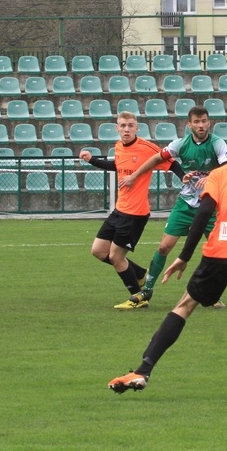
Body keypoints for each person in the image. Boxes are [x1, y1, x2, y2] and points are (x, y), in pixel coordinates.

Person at [108, 134, 227, 401]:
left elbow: (203, 213)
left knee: (184, 306)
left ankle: (143, 370)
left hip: (220, 252)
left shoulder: (220, 175)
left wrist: (184, 256)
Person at [118, 106, 227, 310]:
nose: (201, 125)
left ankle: (211, 292)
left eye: (204, 121)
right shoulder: (181, 144)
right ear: (189, 125)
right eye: (196, 122)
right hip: (185, 205)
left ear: (209, 123)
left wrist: (210, 178)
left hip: (211, 205)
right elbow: (156, 158)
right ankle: (147, 290)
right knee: (164, 247)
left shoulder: (217, 143)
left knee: (218, 252)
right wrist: (134, 176)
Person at [79, 112, 183, 309]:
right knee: (99, 251)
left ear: (137, 128)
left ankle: (138, 297)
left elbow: (172, 163)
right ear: (117, 128)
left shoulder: (146, 148)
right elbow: (117, 166)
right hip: (119, 210)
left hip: (135, 214)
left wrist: (186, 180)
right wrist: (92, 160)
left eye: (130, 125)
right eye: (123, 126)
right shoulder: (118, 147)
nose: (126, 129)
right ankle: (140, 274)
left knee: (116, 257)